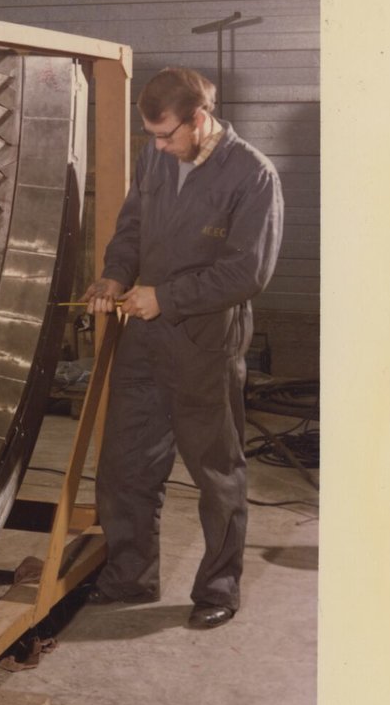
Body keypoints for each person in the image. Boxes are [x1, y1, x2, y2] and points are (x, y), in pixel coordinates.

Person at [82, 66, 283, 629]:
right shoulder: (154, 158)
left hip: (204, 342)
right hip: (144, 336)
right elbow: (131, 228)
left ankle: (218, 586)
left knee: (215, 470)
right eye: (152, 135)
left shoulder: (252, 175)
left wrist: (165, 297)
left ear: (200, 119)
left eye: (168, 134)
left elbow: (248, 273)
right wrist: (114, 277)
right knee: (125, 463)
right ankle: (129, 575)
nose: (159, 146)